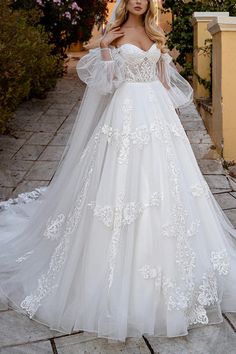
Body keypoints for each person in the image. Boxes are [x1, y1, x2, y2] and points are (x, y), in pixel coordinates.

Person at [0, 0, 236, 343]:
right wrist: (108, 49)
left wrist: (173, 122)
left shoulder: (157, 32)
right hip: (125, 112)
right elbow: (106, 84)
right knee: (118, 183)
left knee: (169, 185)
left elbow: (165, 83)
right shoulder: (116, 32)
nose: (138, 1)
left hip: (157, 115)